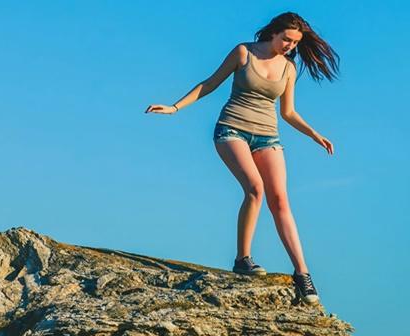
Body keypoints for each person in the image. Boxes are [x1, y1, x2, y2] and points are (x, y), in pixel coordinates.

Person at [145, 12, 339, 305]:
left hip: (268, 137)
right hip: (231, 130)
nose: (289, 46)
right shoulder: (244, 52)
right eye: (286, 39)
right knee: (255, 189)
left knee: (280, 201)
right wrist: (174, 107)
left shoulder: (288, 69)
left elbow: (287, 112)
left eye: (295, 43)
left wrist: (314, 134)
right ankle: (242, 259)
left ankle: (303, 274)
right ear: (273, 33)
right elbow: (209, 84)